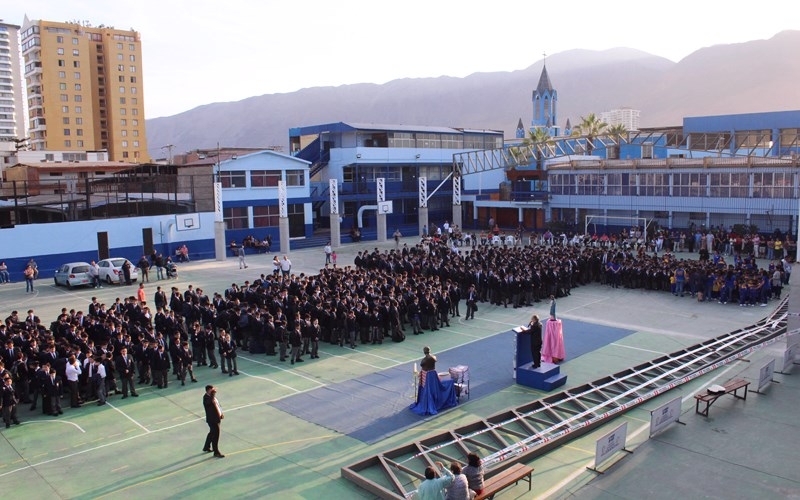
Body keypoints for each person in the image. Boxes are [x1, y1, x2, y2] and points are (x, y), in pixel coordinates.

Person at [202, 384, 225, 458]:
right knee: (216, 435)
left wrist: (221, 413)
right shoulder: (206, 398)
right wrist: (212, 395)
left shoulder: (213, 397)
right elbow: (208, 403)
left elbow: (218, 405)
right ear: (208, 390)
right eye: (212, 390)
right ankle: (216, 451)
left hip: (216, 418)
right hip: (212, 420)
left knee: (212, 433)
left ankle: (206, 446)